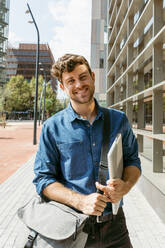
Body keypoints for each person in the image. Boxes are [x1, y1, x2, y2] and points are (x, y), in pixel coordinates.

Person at [33, 54, 141, 248]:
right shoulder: (52, 127)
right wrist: (80, 201)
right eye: (71, 81)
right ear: (63, 87)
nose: (79, 84)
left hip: (115, 227)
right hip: (72, 228)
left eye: (83, 77)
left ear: (92, 76)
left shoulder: (119, 120)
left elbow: (133, 161)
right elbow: (43, 180)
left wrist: (125, 186)